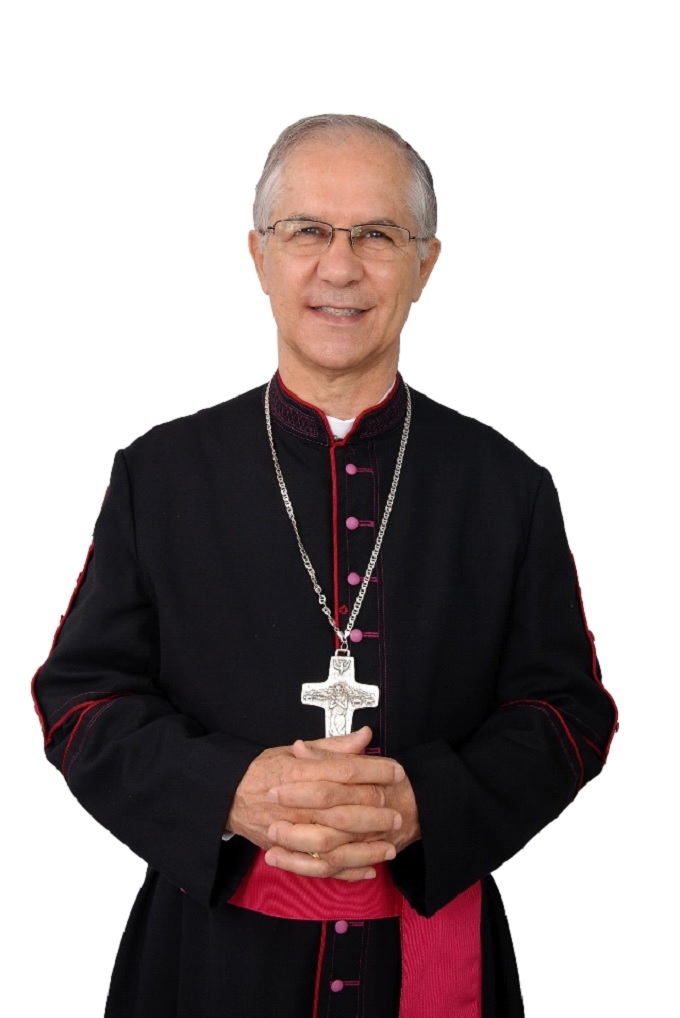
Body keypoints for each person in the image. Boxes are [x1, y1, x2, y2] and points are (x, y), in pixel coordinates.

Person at [32, 114, 617, 1017]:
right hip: (206, 968)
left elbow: (568, 715)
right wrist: (230, 790)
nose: (339, 268)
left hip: (433, 959)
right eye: (308, 230)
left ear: (425, 265)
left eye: (377, 235)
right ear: (259, 255)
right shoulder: (162, 474)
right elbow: (81, 701)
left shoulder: (505, 487)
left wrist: (428, 803)